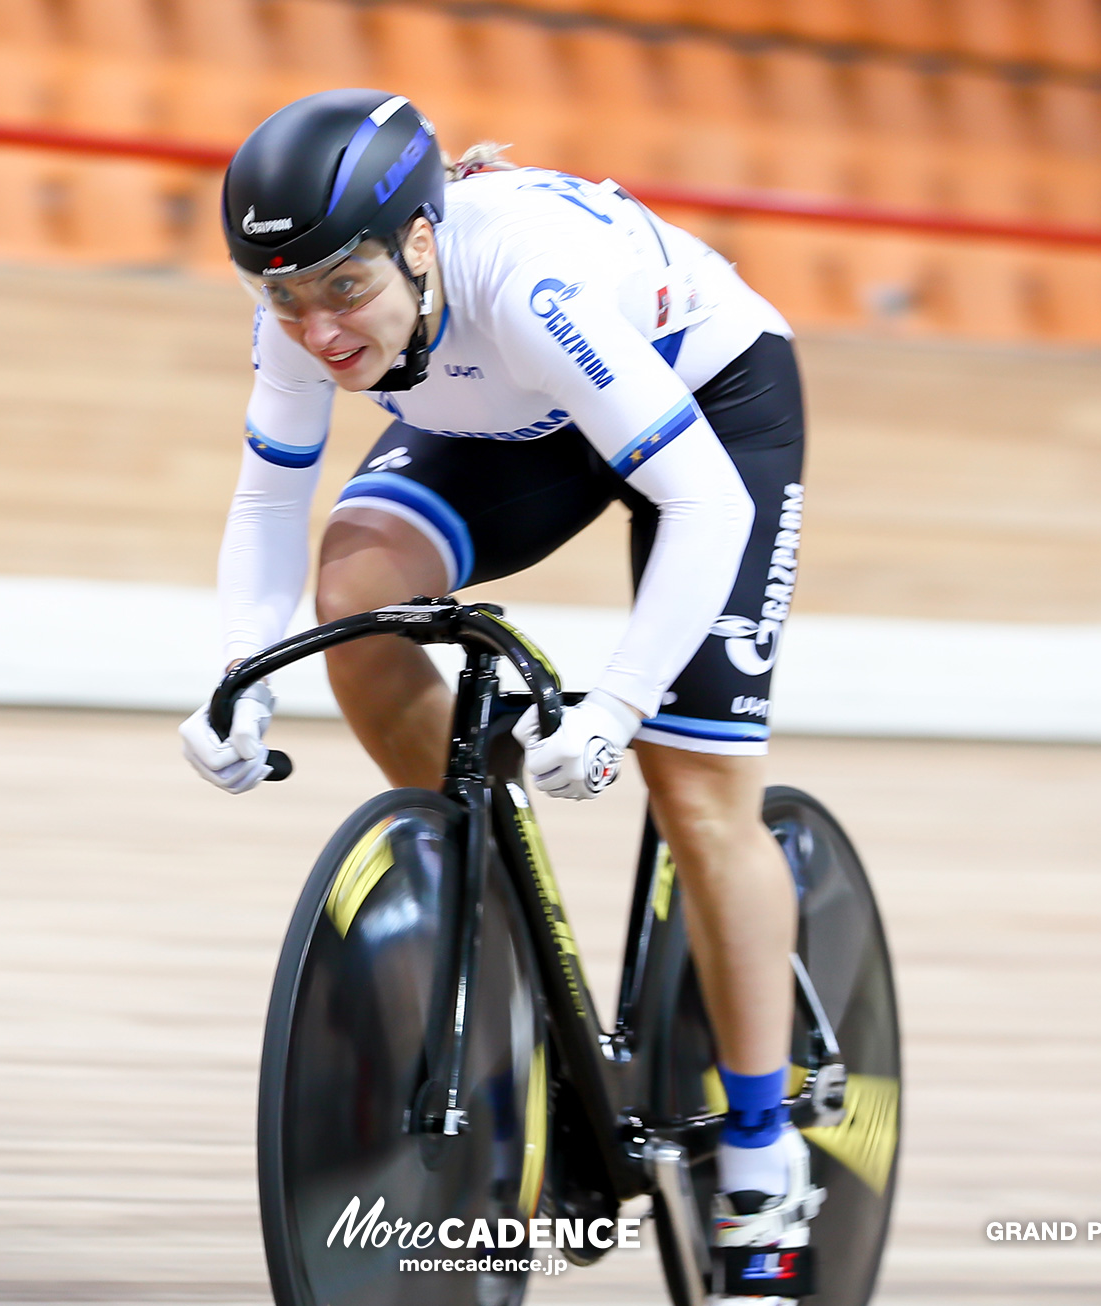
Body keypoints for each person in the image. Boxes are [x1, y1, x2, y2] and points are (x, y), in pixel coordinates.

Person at [179, 88, 813, 1302]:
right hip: (508, 415)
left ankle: (761, 1151)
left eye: (342, 291)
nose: (316, 330)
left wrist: (621, 706)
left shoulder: (525, 281)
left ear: (421, 242)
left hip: (708, 406)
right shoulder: (308, 300)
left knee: (698, 791)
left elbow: (709, 508)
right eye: (285, 297)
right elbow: (269, 503)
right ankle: (514, 928)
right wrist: (238, 680)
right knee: (356, 606)